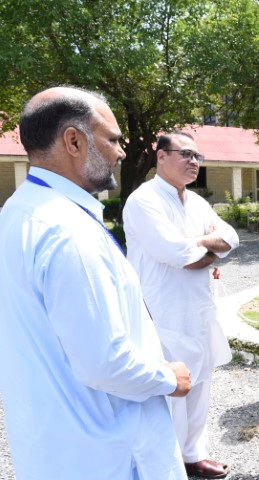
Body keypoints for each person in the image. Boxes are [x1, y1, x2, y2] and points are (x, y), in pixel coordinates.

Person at [0, 86, 191, 479]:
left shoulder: (17, 214)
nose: (121, 153)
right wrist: (169, 378)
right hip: (110, 453)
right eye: (113, 140)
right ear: (73, 141)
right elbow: (104, 362)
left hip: (58, 448)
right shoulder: (67, 231)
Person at [124, 130, 239, 479]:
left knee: (200, 384)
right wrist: (208, 247)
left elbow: (231, 238)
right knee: (170, 391)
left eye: (197, 156)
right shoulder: (144, 200)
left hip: (198, 309)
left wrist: (197, 243)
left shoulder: (197, 202)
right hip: (162, 313)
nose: (193, 161)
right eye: (186, 154)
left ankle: (193, 455)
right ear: (160, 156)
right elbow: (177, 255)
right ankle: (168, 465)